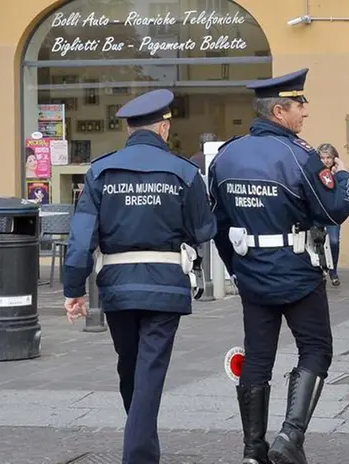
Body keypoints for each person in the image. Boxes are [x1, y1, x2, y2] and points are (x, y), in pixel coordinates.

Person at [209, 68, 349, 464]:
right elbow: (333, 211)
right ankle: (290, 437)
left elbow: (218, 225)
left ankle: (252, 450)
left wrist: (237, 268)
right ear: (278, 111)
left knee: (258, 360)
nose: (304, 113)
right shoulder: (299, 155)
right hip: (296, 273)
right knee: (315, 349)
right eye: (299, 106)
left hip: (252, 273)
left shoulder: (226, 156)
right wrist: (344, 181)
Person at [62, 89, 217, 463]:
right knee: (148, 367)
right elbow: (203, 229)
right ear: (163, 128)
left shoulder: (101, 170)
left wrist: (73, 289)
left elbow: (81, 238)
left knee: (129, 364)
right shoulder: (184, 171)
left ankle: (140, 442)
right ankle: (140, 451)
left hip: (117, 287)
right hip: (165, 285)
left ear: (129, 130)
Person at [317, 142, 343, 286]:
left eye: (329, 157)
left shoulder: (338, 171)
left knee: (334, 241)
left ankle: (333, 270)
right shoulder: (315, 173)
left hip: (332, 214)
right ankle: (321, 270)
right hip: (319, 213)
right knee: (318, 242)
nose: (326, 161)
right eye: (323, 158)